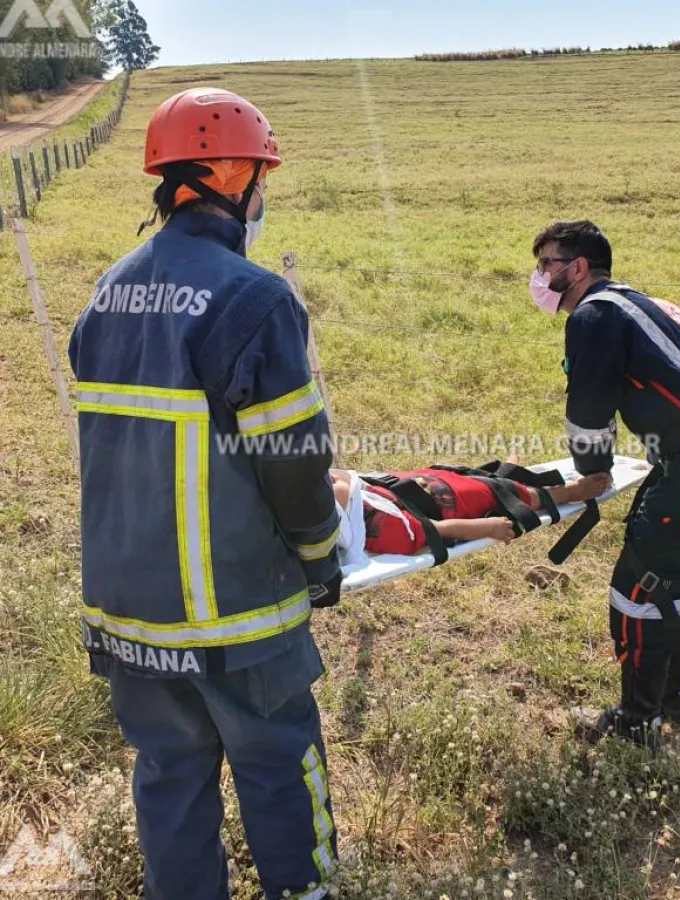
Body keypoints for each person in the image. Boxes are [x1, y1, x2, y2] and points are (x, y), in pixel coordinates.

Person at [68, 88, 341, 900]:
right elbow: (295, 459)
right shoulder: (253, 298)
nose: (265, 195)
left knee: (170, 771)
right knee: (278, 763)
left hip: (128, 607)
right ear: (229, 174)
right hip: (238, 613)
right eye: (262, 177)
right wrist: (321, 556)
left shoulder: (106, 292)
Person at [529, 220, 680, 750]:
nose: (539, 274)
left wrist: (591, 471)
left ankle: (637, 724)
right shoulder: (641, 303)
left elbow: (589, 409)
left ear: (578, 268)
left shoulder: (593, 317)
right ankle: (678, 700)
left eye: (548, 263)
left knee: (637, 587)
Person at [331, 463, 602, 561]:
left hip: (429, 481)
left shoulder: (354, 490)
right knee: (508, 495)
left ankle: (504, 472)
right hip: (453, 502)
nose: (330, 479)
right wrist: (489, 528)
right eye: (330, 486)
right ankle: (568, 492)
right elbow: (437, 531)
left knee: (482, 479)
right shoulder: (382, 528)